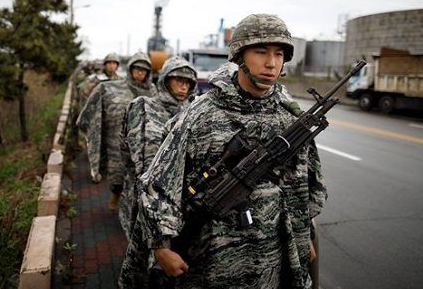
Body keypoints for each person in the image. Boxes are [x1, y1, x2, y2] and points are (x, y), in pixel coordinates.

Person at [136, 14, 326, 288]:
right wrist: (161, 246)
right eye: (261, 52)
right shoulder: (201, 115)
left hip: (274, 262)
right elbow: (159, 184)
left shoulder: (289, 118)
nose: (271, 63)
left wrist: (303, 233)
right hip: (213, 265)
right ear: (239, 57)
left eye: (279, 54)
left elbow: (307, 182)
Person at [118, 56, 198, 237]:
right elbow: (126, 149)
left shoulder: (192, 112)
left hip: (178, 201)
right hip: (141, 192)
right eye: (179, 81)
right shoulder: (143, 107)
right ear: (165, 81)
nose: (184, 87)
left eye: (188, 82)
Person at [77, 51, 157, 210]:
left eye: (144, 70)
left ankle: (136, 208)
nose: (140, 72)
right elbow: (89, 108)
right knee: (116, 175)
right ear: (130, 69)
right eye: (137, 69)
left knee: (142, 179)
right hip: (117, 142)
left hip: (144, 146)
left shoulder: (153, 91)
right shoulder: (111, 87)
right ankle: (115, 194)